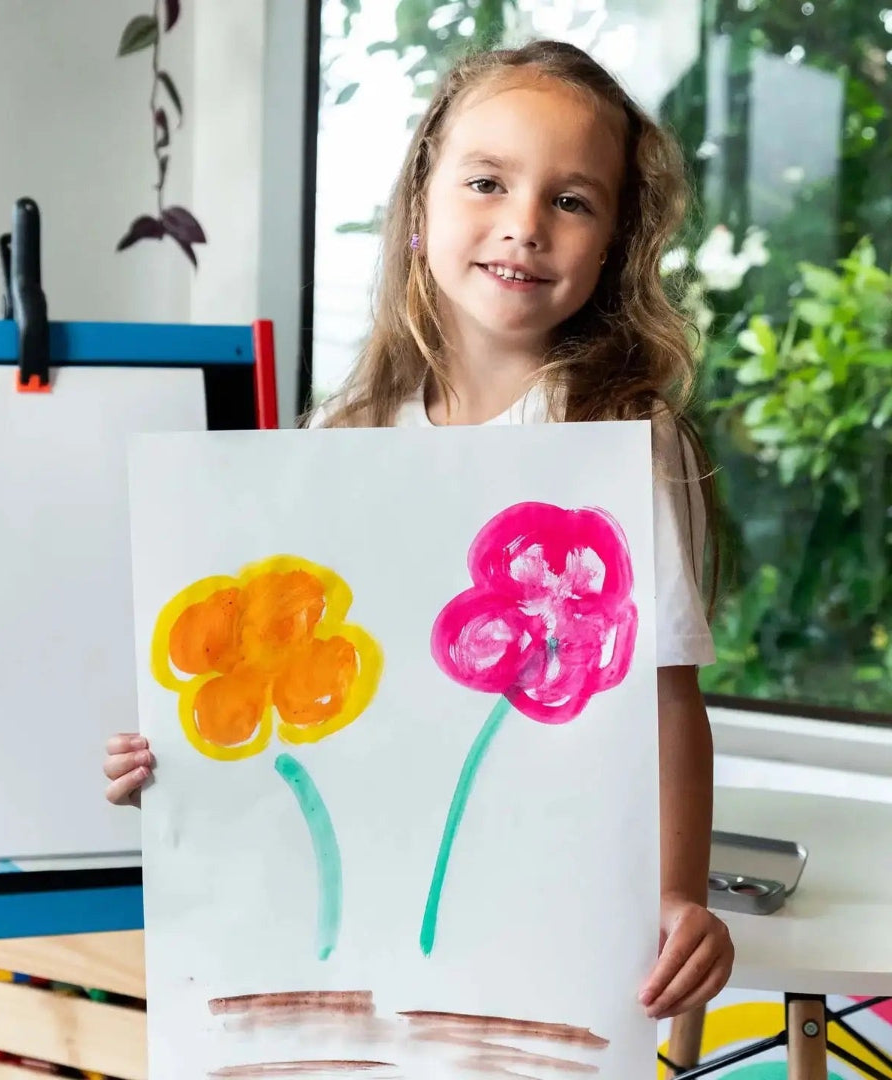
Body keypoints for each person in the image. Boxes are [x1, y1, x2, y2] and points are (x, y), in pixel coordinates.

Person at [104, 37, 733, 1022]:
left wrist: (677, 891)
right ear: (420, 210)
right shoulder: (337, 441)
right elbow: (308, 692)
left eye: (572, 201)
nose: (523, 225)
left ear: (612, 246)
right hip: (367, 908)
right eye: (488, 182)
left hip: (545, 923)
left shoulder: (617, 441)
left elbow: (665, 697)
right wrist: (176, 765)